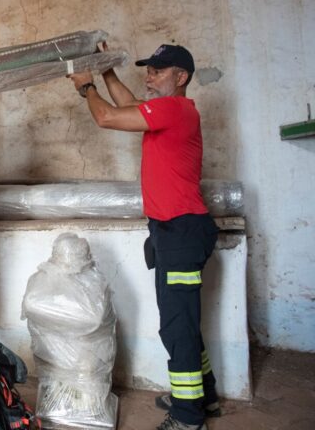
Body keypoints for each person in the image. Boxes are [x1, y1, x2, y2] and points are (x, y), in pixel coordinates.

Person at [68, 44, 220, 430]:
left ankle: (187, 416)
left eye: (158, 71)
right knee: (182, 320)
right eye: (148, 70)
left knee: (176, 325)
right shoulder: (172, 113)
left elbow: (106, 117)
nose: (149, 77)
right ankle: (204, 395)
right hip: (175, 229)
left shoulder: (174, 109)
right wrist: (106, 73)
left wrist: (87, 88)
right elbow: (130, 102)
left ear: (181, 77)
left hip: (180, 231)